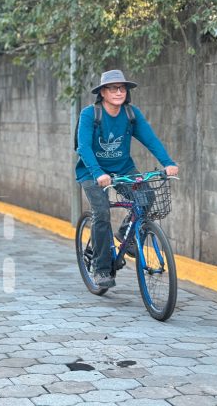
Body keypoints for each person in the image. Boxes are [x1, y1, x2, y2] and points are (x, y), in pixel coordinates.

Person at [76, 69, 179, 289]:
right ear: (103, 92)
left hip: (123, 168)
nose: (118, 92)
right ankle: (102, 269)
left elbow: (151, 139)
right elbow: (83, 147)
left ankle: (125, 233)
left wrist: (168, 163)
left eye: (122, 88)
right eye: (113, 88)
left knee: (147, 195)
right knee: (102, 212)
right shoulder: (89, 114)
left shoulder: (131, 114)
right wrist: (98, 173)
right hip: (92, 171)